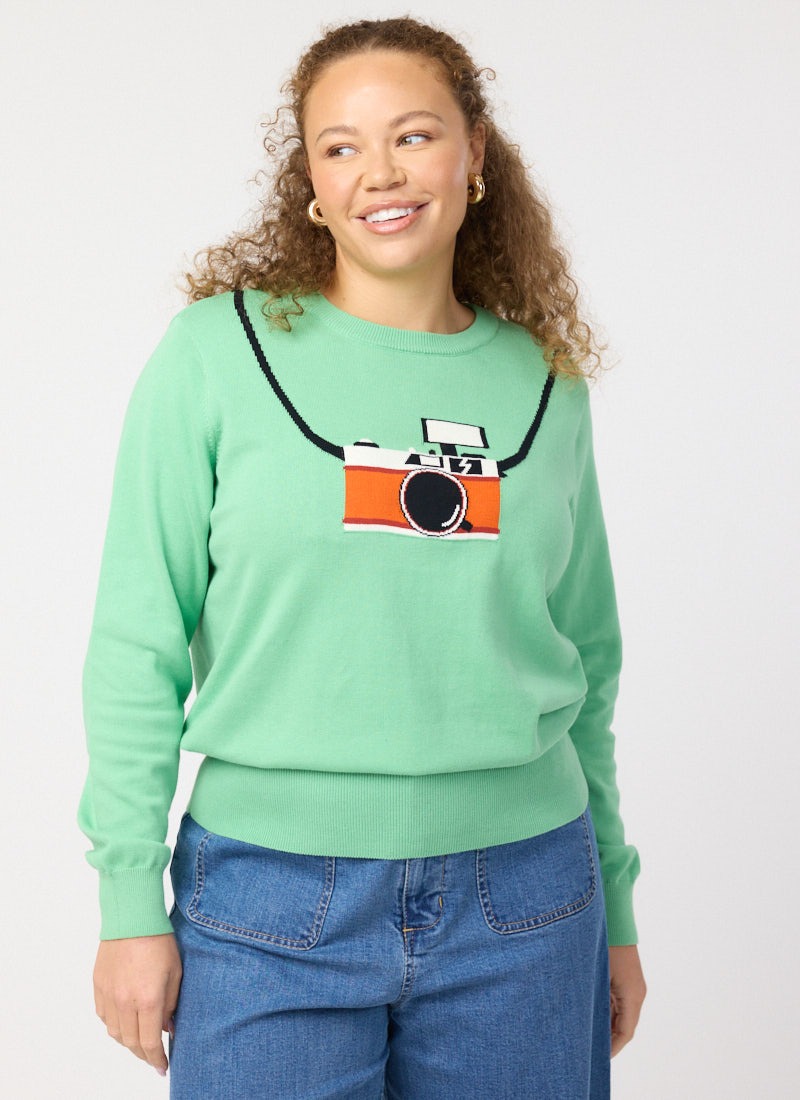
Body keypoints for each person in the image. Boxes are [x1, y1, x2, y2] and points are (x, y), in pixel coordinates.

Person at [79, 16, 646, 1099]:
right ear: (311, 182)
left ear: (474, 154)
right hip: (266, 899)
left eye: (412, 135)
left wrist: (615, 908)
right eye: (339, 146)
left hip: (528, 901)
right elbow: (135, 644)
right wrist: (126, 905)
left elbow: (588, 658)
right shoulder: (215, 354)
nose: (378, 173)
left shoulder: (544, 380)